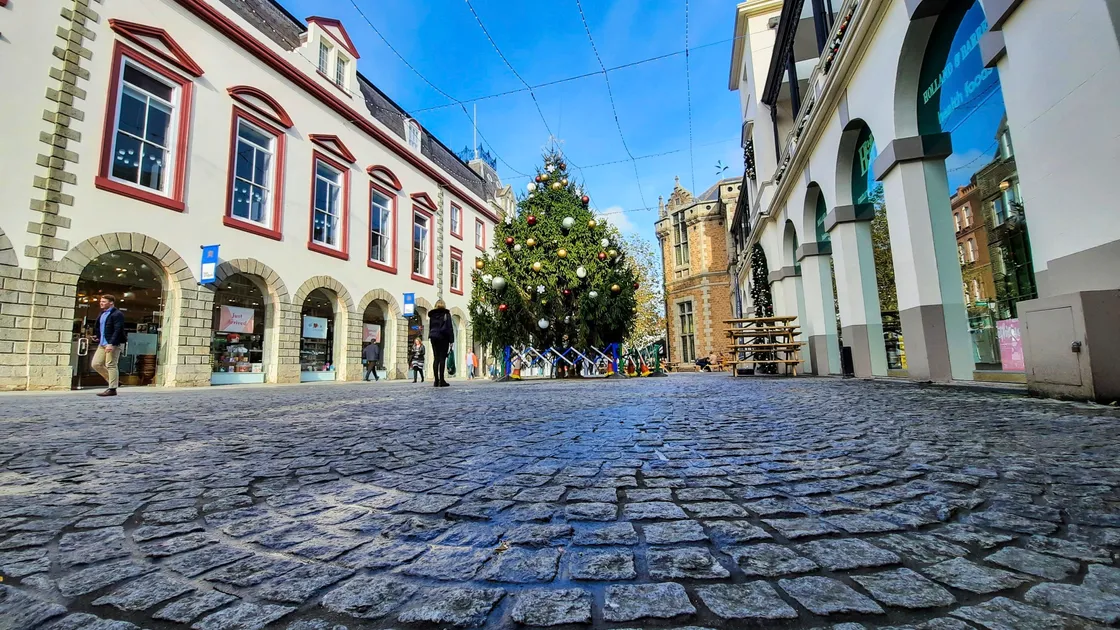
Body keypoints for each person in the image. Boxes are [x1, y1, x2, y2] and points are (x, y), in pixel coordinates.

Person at [91, 294, 126, 397]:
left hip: (112, 344)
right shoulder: (102, 313)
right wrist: (98, 336)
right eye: (101, 301)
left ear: (111, 303)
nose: (101, 303)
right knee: (96, 364)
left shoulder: (117, 314)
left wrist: (111, 343)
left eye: (104, 301)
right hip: (102, 343)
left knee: (111, 364)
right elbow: (100, 328)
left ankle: (112, 388)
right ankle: (114, 381)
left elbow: (118, 330)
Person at [428, 300, 454, 388]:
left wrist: (430, 335)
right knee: (442, 358)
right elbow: (449, 327)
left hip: (433, 337)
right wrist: (451, 340)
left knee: (436, 358)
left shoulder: (432, 315)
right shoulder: (446, 314)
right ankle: (442, 380)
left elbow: (430, 326)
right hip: (443, 337)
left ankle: (436, 380)